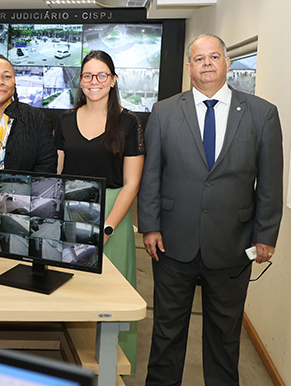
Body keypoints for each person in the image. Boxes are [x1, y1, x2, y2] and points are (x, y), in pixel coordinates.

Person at [138, 34, 283, 385]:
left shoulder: (262, 114)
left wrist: (265, 235)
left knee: (224, 337)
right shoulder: (164, 111)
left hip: (233, 246)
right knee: (166, 333)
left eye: (214, 56)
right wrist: (150, 226)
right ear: (189, 67)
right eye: (199, 58)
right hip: (172, 244)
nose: (206, 63)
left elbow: (270, 182)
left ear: (227, 63)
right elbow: (152, 174)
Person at [55, 50, 144, 375]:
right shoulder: (65, 120)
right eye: (88, 76)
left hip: (113, 218)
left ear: (113, 80)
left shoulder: (129, 121)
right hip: (72, 212)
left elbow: (132, 183)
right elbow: (59, 172)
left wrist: (105, 228)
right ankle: (75, 364)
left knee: (113, 298)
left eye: (101, 75)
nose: (94, 82)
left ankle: (111, 370)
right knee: (72, 290)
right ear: (80, 81)